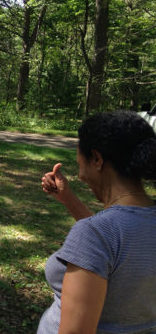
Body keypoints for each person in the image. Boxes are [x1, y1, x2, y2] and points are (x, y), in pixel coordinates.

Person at [38, 110, 156, 334]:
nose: (80, 172)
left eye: (79, 160)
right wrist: (69, 199)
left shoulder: (93, 234)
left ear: (97, 159)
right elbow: (116, 245)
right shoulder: (119, 229)